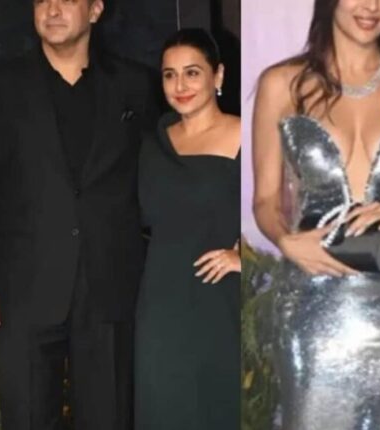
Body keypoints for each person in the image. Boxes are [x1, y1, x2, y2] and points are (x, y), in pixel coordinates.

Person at [251, 0, 380, 428]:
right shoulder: (281, 84)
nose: (371, 6)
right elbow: (265, 200)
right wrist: (285, 241)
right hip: (313, 296)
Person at [0, 0, 157, 428]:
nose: (52, 8)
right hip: (22, 288)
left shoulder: (135, 85)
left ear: (96, 10)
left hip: (109, 286)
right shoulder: (0, 86)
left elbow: (166, 173)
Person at [134, 28, 241, 430]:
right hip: (161, 303)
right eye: (169, 75)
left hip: (221, 301)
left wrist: (245, 256)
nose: (180, 86)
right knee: (165, 406)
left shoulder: (246, 134)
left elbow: (288, 211)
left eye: (192, 73)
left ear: (218, 75)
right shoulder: (152, 144)